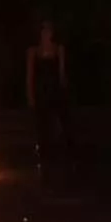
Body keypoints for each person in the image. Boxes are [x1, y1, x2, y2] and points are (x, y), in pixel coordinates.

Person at [25, 18, 70, 169]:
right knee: (42, 126)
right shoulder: (33, 51)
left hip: (55, 91)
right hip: (41, 92)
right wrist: (31, 96)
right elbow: (30, 76)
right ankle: (44, 157)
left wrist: (63, 93)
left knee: (58, 124)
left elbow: (61, 74)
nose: (46, 33)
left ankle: (60, 156)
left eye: (49, 30)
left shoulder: (58, 49)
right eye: (44, 30)